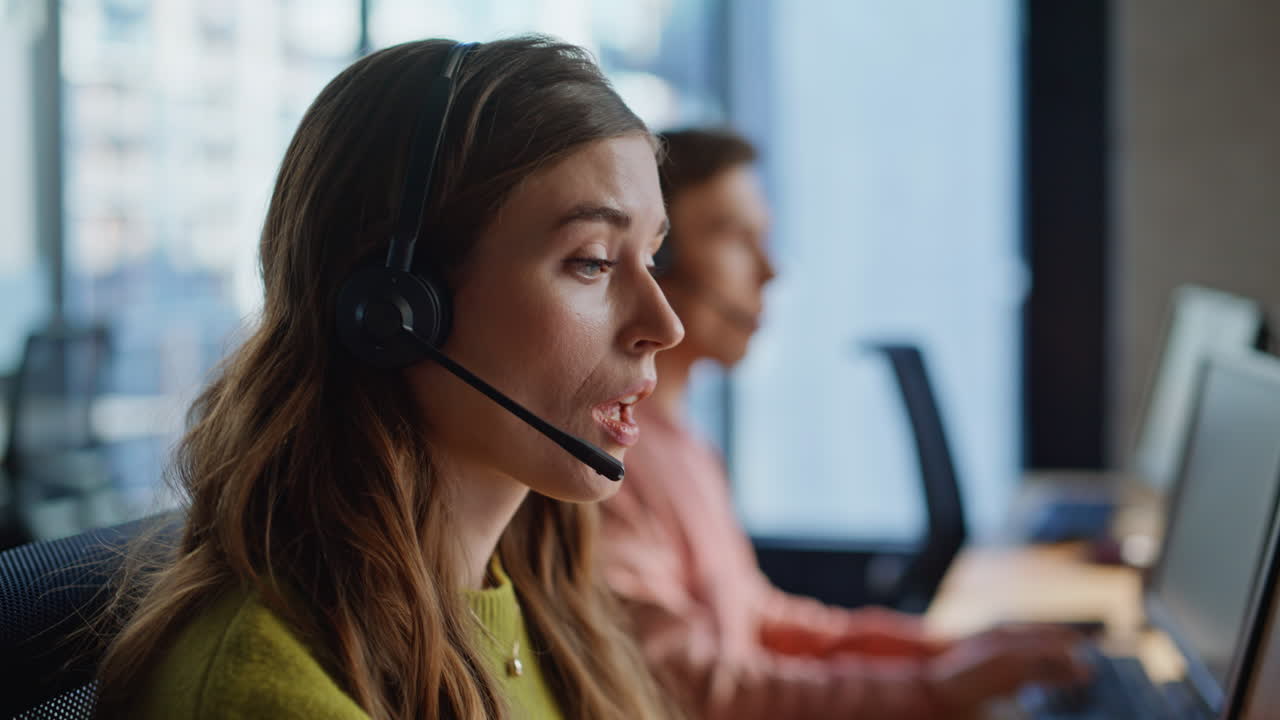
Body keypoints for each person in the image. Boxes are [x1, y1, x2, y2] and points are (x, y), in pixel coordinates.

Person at [92, 37, 687, 720]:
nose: (665, 324)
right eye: (592, 262)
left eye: (653, 256)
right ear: (395, 311)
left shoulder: (546, 592)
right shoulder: (269, 689)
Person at [599, 128, 1089, 720]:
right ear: (656, 260)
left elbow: (754, 620)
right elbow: (696, 690)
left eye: (766, 237)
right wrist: (935, 692)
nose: (770, 270)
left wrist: (948, 651)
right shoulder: (607, 463)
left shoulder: (684, 443)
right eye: (735, 237)